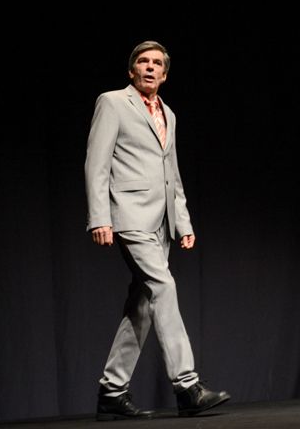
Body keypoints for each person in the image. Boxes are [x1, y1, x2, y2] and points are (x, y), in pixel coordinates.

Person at [84, 40, 230, 421]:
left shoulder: (169, 114)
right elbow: (96, 163)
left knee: (143, 307)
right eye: (143, 61)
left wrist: (183, 222)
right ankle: (187, 385)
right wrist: (100, 217)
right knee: (164, 287)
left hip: (161, 222)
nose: (150, 67)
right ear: (132, 70)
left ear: (164, 75)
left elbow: (172, 172)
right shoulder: (113, 102)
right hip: (129, 216)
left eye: (157, 63)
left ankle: (112, 391)